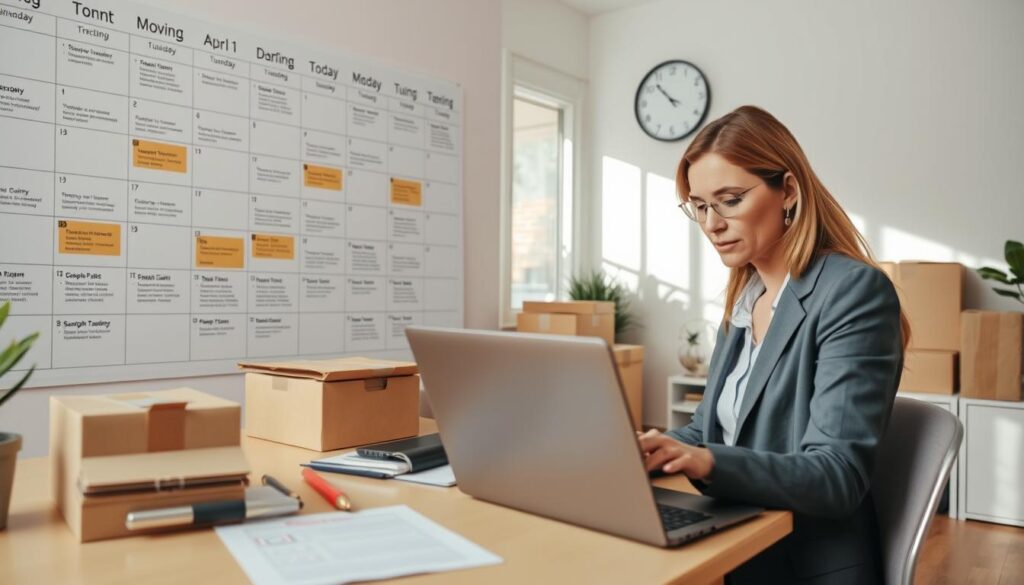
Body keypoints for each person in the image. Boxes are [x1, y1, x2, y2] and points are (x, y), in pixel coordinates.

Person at [638, 105, 910, 585]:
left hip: (803, 564)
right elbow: (705, 432)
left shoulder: (852, 292)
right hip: (737, 546)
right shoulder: (745, 300)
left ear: (787, 190)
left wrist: (708, 462)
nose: (711, 223)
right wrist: (647, 449)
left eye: (729, 199)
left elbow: (837, 475)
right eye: (699, 205)